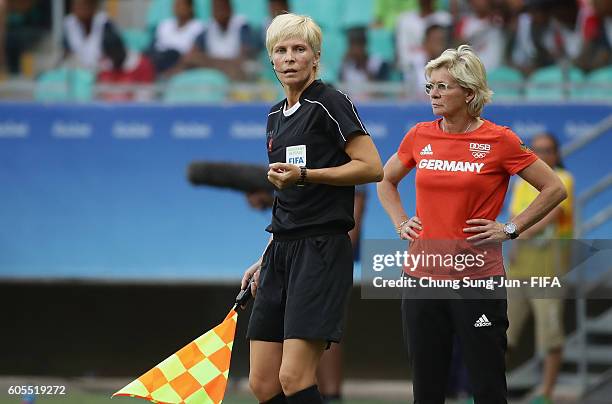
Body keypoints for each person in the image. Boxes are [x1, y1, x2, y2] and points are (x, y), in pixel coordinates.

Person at [376, 44, 567, 403]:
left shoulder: (500, 139)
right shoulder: (419, 135)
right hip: (422, 277)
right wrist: (401, 221)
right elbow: (385, 180)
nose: (434, 93)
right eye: (430, 85)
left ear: (469, 92)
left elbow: (554, 188)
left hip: (477, 277)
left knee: (488, 386)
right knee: (428, 389)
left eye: (443, 86)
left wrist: (511, 227)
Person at [241, 13, 384, 404]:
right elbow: (286, 197)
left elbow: (372, 168)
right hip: (281, 251)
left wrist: (305, 174)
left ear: (315, 57)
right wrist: (266, 253)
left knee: (293, 375)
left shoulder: (330, 102)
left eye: (298, 49)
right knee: (263, 382)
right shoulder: (273, 116)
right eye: (281, 50)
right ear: (271, 60)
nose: (289, 58)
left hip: (321, 249)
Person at [506, 132, 574, 404]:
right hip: (518, 268)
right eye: (536, 150)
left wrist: (513, 235)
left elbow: (549, 217)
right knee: (501, 331)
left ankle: (546, 394)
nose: (541, 155)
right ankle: (488, 389)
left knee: (550, 335)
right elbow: (512, 217)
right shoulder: (520, 183)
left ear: (557, 155)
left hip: (549, 269)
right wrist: (512, 241)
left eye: (547, 150)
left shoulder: (563, 180)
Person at [170, 0, 256, 80]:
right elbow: (190, 57)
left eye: (222, 7)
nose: (219, 11)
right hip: (216, 74)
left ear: (230, 8)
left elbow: (243, 60)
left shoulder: (242, 26)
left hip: (237, 75)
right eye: (215, 8)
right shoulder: (208, 29)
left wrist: (208, 61)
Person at [62, 0, 122, 70]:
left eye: (83, 6)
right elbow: (67, 52)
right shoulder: (69, 24)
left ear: (93, 6)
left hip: (105, 73)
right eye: (76, 7)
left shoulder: (104, 24)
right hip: (80, 73)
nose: (79, 10)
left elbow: (117, 56)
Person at [149, 0, 204, 74]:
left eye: (180, 5)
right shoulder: (164, 25)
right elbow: (152, 47)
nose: (177, 8)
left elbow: (194, 52)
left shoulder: (198, 27)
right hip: (159, 59)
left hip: (181, 63)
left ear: (190, 8)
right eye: (176, 5)